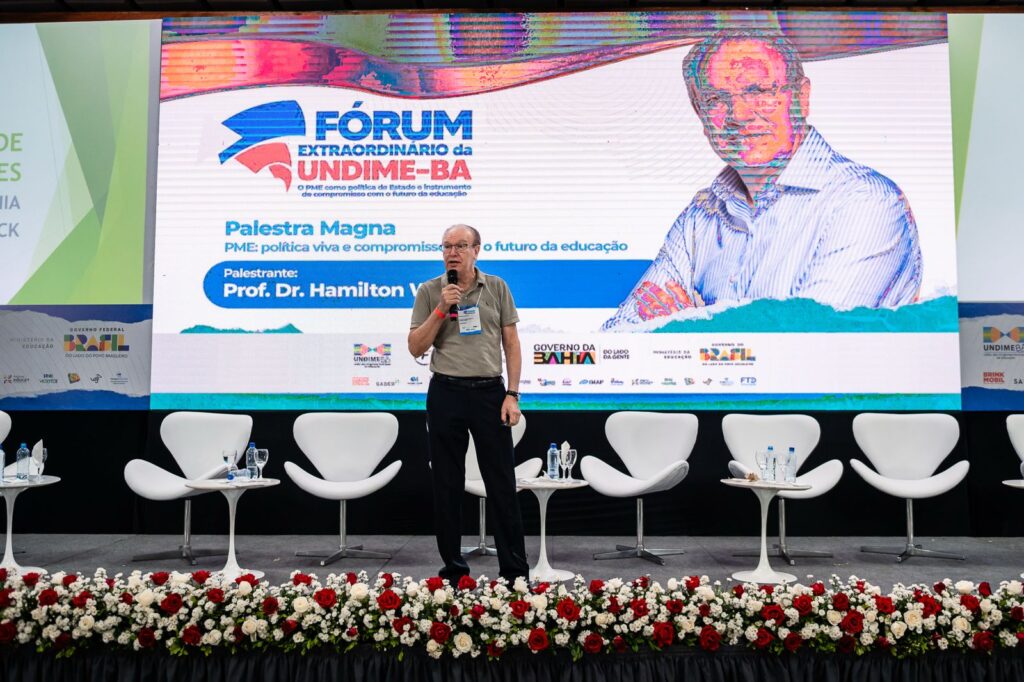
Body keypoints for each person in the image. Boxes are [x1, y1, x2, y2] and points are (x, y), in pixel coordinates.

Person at [603, 31, 923, 330]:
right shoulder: (699, 216)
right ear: (699, 113)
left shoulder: (867, 201)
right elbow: (617, 338)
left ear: (802, 98)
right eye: (715, 99)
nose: (739, 115)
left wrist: (686, 325)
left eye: (758, 92)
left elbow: (812, 347)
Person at [408, 224, 529, 583]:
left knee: (501, 484)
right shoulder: (430, 290)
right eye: (446, 246)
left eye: (460, 246)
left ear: (477, 250)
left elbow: (512, 343)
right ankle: (454, 573)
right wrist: (441, 309)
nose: (452, 253)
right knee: (447, 485)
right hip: (445, 393)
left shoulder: (497, 287)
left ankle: (514, 574)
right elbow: (415, 347)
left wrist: (513, 394)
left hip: (490, 394)